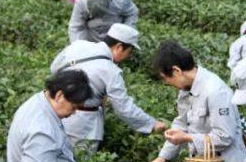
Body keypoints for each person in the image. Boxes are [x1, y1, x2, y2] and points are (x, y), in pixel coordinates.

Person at [144, 41, 246, 162]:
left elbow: (225, 136)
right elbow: (182, 123)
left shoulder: (215, 91)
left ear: (176, 71)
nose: (167, 84)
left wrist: (188, 138)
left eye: (166, 79)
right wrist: (164, 156)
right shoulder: (186, 89)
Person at [49, 24, 166, 152]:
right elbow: (124, 108)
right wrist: (152, 124)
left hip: (55, 112)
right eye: (129, 51)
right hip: (83, 126)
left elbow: (54, 68)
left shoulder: (78, 45)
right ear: (119, 47)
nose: (128, 56)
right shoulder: (111, 71)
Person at [68, 0, 139, 43]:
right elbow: (76, 27)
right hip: (92, 35)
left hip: (114, 33)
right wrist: (80, 48)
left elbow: (133, 13)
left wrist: (126, 34)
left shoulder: (120, 0)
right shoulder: (80, 1)